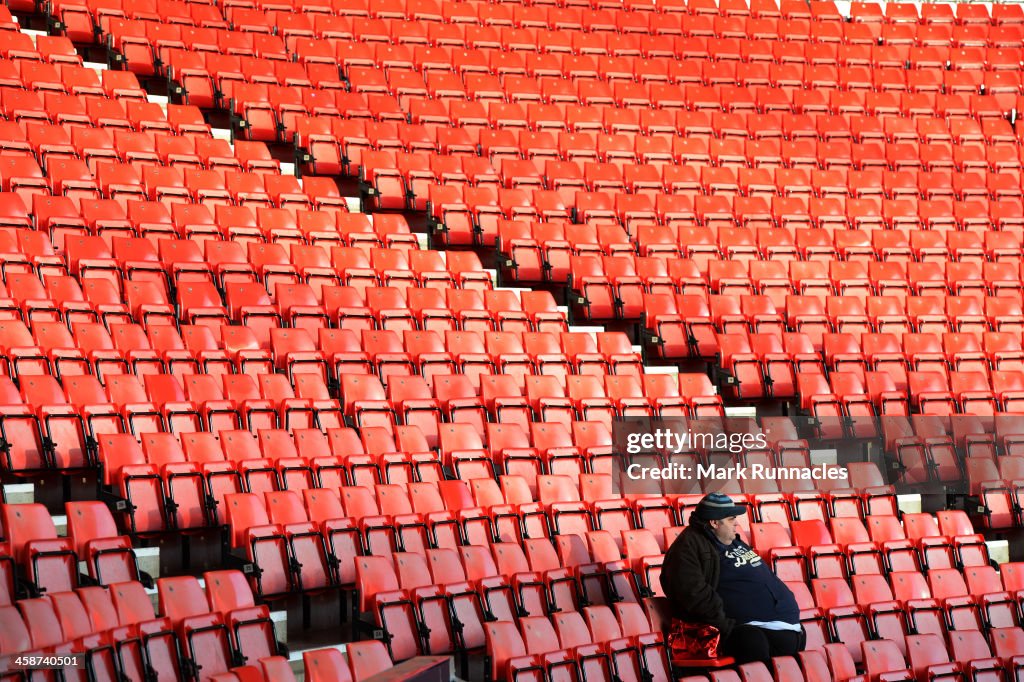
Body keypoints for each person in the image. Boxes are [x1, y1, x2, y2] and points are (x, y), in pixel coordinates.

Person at [660, 492, 805, 665]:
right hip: (740, 634)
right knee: (751, 641)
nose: (736, 523)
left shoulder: (730, 540)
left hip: (782, 629)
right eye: (731, 519)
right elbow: (695, 595)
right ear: (714, 522)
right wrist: (727, 628)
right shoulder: (687, 548)